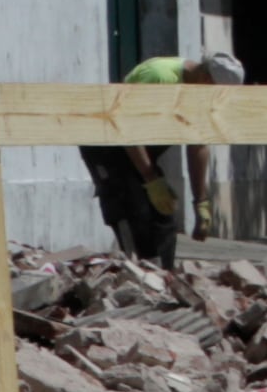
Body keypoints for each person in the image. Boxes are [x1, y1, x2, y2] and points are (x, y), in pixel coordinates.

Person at [82, 49, 239, 265]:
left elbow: (197, 146)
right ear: (206, 78)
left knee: (162, 215)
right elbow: (127, 127)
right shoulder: (159, 76)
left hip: (139, 149)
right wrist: (151, 178)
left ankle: (164, 278)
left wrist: (200, 202)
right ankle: (137, 273)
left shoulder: (199, 93)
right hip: (109, 146)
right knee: (131, 208)